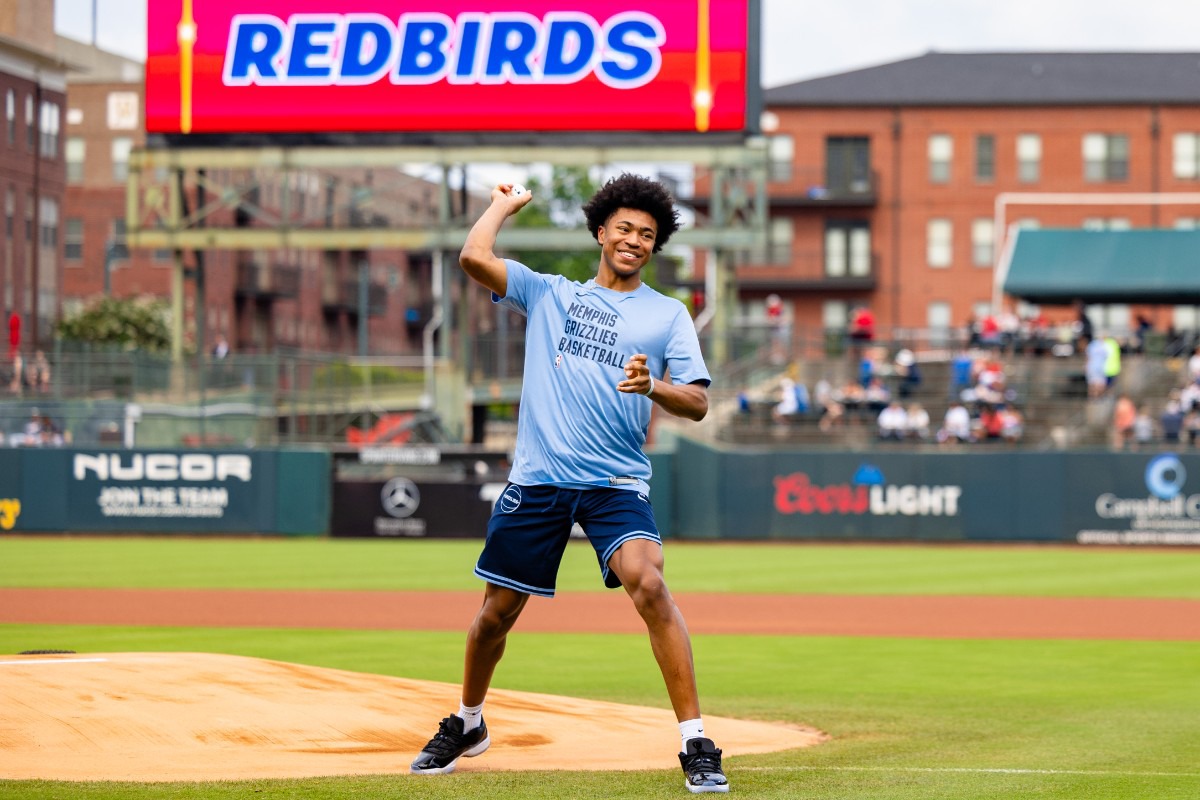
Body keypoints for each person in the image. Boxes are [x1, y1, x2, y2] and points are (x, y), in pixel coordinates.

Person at [410, 175, 729, 793]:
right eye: (625, 229)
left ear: (654, 246)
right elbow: (474, 258)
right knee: (494, 618)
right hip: (540, 479)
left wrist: (652, 386)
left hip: (615, 483)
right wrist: (501, 207)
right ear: (602, 232)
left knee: (650, 583)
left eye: (647, 234)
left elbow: (696, 402)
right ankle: (469, 721)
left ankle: (696, 741)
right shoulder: (549, 293)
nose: (634, 240)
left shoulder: (668, 314)